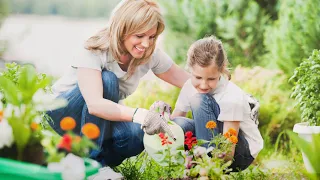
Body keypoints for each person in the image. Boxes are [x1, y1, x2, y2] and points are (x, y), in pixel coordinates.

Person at [46, 0, 190, 177]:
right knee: (108, 80)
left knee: (137, 134)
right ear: (123, 30)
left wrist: (219, 84)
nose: (146, 44)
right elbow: (95, 105)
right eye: (140, 36)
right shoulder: (95, 49)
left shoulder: (149, 54)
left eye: (151, 37)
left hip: (98, 121)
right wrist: (143, 115)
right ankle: (93, 165)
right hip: (63, 114)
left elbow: (189, 82)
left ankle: (91, 162)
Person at [168, 36, 264, 171]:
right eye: (198, 77)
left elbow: (228, 152)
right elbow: (173, 124)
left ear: (222, 70)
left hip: (240, 151)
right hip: (212, 139)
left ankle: (207, 169)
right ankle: (196, 164)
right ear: (190, 70)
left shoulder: (231, 97)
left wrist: (212, 165)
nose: (203, 84)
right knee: (177, 124)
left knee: (199, 99)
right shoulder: (190, 86)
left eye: (211, 79)